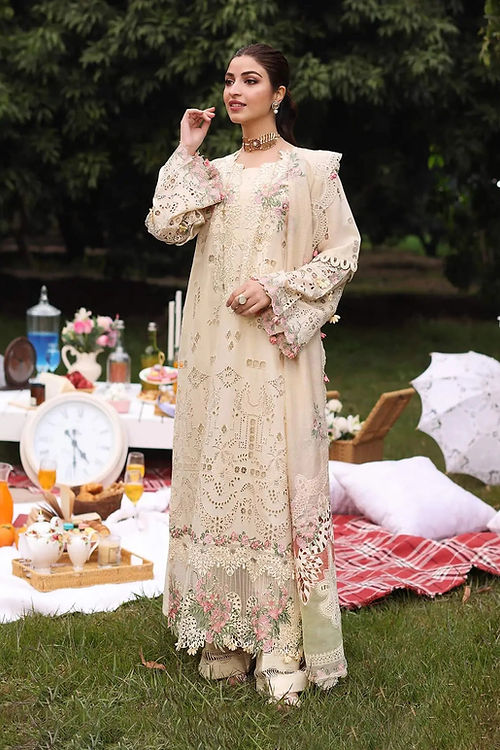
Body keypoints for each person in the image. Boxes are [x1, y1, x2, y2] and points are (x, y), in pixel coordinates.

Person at [146, 43, 360, 705]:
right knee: (223, 473)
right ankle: (226, 631)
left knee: (273, 477)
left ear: (279, 93)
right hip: (216, 355)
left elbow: (343, 252)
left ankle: (281, 643)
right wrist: (187, 150)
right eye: (229, 80)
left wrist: (275, 288)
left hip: (276, 351)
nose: (235, 90)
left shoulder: (312, 170)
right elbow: (165, 225)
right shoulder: (212, 175)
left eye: (251, 80)